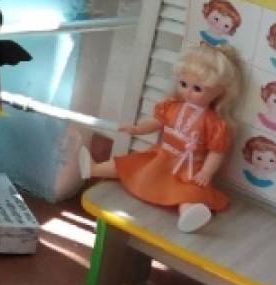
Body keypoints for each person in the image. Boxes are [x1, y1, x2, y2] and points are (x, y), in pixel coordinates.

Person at [80, 44, 242, 233]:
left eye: (197, 88)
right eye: (183, 84)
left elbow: (217, 151)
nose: (188, 92)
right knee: (130, 164)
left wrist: (206, 172)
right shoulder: (172, 107)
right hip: (161, 156)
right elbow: (156, 122)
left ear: (220, 91)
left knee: (189, 192)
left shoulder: (214, 123)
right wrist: (137, 129)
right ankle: (94, 169)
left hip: (188, 168)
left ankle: (189, 213)